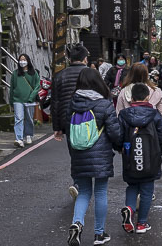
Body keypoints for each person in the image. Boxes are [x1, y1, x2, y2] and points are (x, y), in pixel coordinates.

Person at [67, 68, 123, 246]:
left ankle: (77, 223)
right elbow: (114, 132)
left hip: (78, 154)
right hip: (101, 155)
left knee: (83, 192)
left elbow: (69, 130)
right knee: (100, 192)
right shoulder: (104, 104)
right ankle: (99, 234)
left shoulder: (72, 103)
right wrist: (119, 146)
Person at [118, 83, 162, 235]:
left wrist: (120, 148)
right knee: (146, 189)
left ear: (131, 98)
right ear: (147, 97)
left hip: (130, 157)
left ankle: (130, 210)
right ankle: (142, 224)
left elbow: (118, 136)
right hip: (151, 158)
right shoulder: (154, 114)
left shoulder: (124, 115)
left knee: (132, 186)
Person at [53, 43, 94, 200]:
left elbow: (55, 103)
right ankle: (86, 183)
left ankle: (78, 183)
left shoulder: (60, 75)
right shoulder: (90, 73)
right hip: (89, 119)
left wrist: (57, 127)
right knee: (89, 150)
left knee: (74, 153)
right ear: (84, 59)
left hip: (68, 120)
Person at [9, 53, 40, 148]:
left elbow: (37, 86)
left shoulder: (33, 73)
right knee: (18, 118)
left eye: (24, 59)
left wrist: (31, 97)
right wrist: (11, 101)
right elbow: (12, 88)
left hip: (29, 100)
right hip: (17, 100)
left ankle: (28, 134)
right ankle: (19, 138)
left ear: (28, 61)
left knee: (29, 118)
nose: (22, 61)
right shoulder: (15, 73)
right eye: (20, 60)